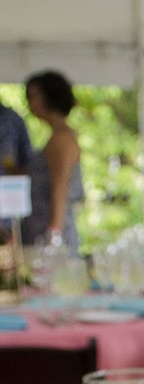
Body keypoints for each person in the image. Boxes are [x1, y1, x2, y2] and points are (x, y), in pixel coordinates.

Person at [21, 69, 84, 252]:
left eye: (34, 96)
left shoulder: (61, 139)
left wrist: (53, 234)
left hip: (50, 232)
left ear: (50, 96)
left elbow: (60, 186)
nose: (30, 104)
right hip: (39, 228)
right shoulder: (56, 136)